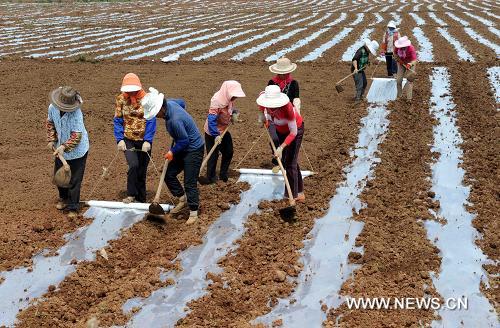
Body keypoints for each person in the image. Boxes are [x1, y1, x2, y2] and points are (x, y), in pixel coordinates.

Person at [143, 91, 204, 225]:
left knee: (189, 182)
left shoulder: (174, 121)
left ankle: (193, 212)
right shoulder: (171, 103)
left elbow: (184, 141)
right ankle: (182, 199)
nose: (156, 117)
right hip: (183, 145)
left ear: (161, 109)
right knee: (169, 174)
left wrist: (172, 152)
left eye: (156, 113)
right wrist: (183, 125)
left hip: (194, 149)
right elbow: (182, 102)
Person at [46, 86, 90, 218]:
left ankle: (73, 206)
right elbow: (50, 123)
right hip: (61, 149)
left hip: (78, 151)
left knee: (75, 179)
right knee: (60, 177)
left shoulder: (76, 114)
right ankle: (63, 198)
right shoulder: (52, 108)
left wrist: (64, 147)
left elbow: (77, 135)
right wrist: (51, 139)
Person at [257, 85, 305, 202]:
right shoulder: (265, 101)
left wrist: (281, 148)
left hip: (295, 131)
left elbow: (293, 133)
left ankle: (291, 196)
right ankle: (299, 192)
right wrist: (262, 116)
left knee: (290, 164)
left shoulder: (287, 109)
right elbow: (261, 102)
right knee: (290, 161)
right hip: (281, 130)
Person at [114, 73, 156, 204]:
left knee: (142, 170)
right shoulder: (120, 99)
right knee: (133, 165)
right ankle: (131, 194)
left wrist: (148, 140)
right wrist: (119, 139)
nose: (131, 92)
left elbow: (151, 119)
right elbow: (118, 119)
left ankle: (141, 200)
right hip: (128, 138)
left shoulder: (147, 99)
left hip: (144, 140)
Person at [199, 80, 245, 185]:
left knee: (228, 151)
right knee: (213, 155)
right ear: (227, 92)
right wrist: (216, 135)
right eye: (234, 95)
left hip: (223, 130)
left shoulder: (228, 98)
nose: (235, 98)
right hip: (212, 132)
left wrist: (234, 114)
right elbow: (211, 120)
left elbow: (230, 109)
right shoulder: (217, 101)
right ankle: (210, 178)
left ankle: (223, 175)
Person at [267, 57, 301, 171]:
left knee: (287, 141)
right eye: (281, 73)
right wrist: (264, 115)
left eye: (286, 73)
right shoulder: (272, 83)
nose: (284, 75)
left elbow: (296, 99)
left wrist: (297, 112)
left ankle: (284, 165)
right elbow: (266, 98)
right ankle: (278, 159)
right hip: (275, 115)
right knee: (275, 139)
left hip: (288, 115)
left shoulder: (294, 83)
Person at [351, 39, 379, 104]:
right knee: (360, 84)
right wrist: (355, 68)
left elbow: (365, 59)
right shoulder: (360, 51)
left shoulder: (366, 51)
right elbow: (354, 59)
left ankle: (361, 96)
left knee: (365, 82)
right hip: (356, 70)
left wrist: (367, 63)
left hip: (361, 70)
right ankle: (357, 99)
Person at [393, 36, 417, 102]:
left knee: (409, 80)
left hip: (410, 63)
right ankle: (399, 96)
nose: (401, 47)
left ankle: (409, 99)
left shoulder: (411, 48)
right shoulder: (397, 47)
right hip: (401, 63)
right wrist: (398, 59)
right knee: (398, 80)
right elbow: (394, 53)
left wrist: (410, 64)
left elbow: (414, 60)